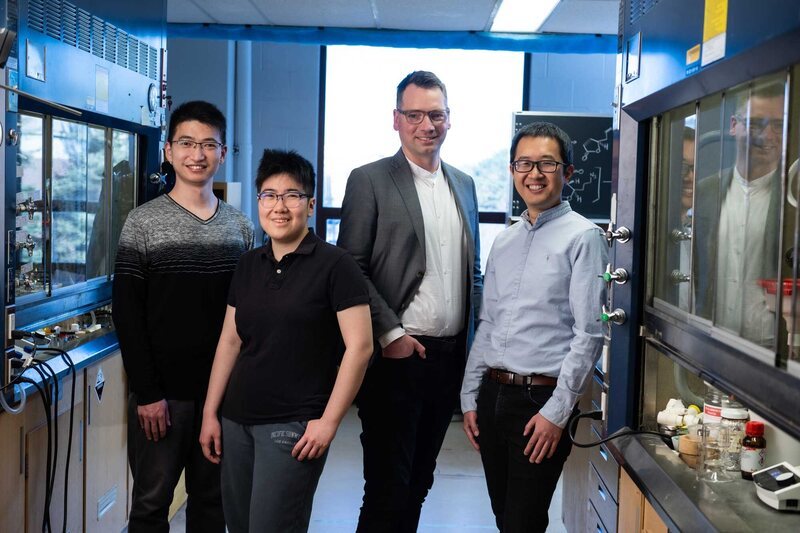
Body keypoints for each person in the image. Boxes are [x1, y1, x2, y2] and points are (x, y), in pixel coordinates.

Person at [337, 70, 482, 532]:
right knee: (387, 485)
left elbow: (470, 273)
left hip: (448, 358)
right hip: (396, 358)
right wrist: (390, 333)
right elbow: (349, 267)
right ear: (396, 119)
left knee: (420, 481)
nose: (427, 125)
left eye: (436, 114)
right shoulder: (370, 180)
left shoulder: (465, 185)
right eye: (415, 115)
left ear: (449, 119)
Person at [199, 149, 373, 532]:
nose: (280, 206)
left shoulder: (335, 264)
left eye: (292, 195)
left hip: (293, 425)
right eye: (269, 195)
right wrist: (211, 413)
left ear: (310, 205)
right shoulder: (248, 264)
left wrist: (328, 422)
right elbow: (230, 342)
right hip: (236, 420)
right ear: (259, 202)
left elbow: (360, 347)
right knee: (240, 526)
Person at [112, 100, 254, 533]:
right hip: (163, 399)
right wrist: (148, 392)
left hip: (222, 396)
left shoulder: (241, 228)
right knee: (151, 506)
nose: (198, 154)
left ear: (223, 153)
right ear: (169, 151)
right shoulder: (143, 223)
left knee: (213, 505)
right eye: (188, 144)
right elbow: (127, 313)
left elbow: (247, 315)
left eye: (209, 145)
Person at [460, 122, 607, 533]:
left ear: (568, 173)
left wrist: (557, 414)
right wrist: (470, 397)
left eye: (547, 163)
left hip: (539, 402)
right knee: (504, 515)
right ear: (512, 171)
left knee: (523, 522)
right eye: (524, 163)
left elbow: (589, 334)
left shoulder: (584, 238)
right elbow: (488, 325)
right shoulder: (504, 241)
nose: (534, 174)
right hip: (493, 397)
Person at [693, 80, 786, 342]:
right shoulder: (705, 192)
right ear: (734, 125)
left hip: (772, 346)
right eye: (756, 123)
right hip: (712, 340)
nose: (768, 136)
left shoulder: (793, 201)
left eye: (778, 125)